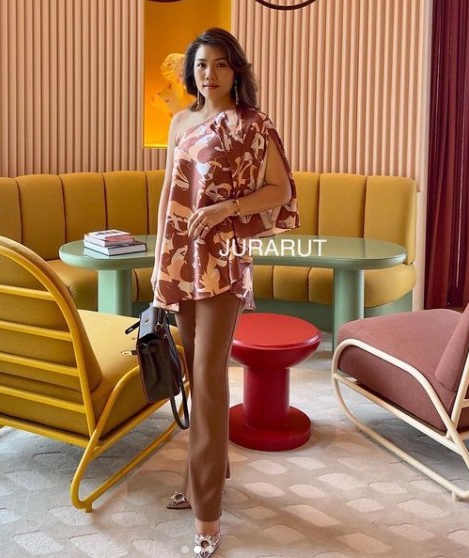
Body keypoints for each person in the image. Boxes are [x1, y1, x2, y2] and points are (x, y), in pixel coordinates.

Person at [151, 27, 299, 558]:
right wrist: (160, 266)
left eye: (218, 64)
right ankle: (202, 475)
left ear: (235, 70)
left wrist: (224, 209)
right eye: (200, 65)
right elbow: (170, 195)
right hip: (182, 258)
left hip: (224, 260)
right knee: (196, 374)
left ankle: (207, 514)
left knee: (209, 377)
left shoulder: (253, 124)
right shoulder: (180, 121)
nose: (208, 74)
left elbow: (280, 189)